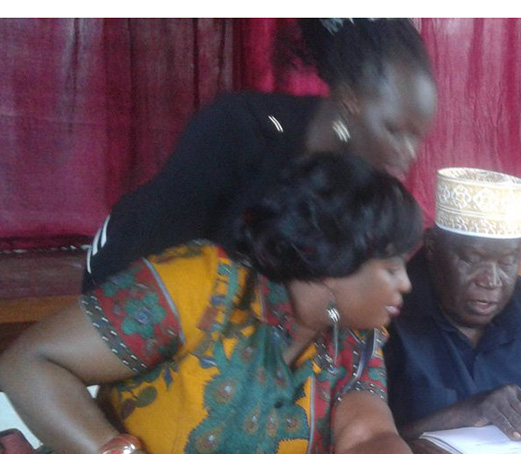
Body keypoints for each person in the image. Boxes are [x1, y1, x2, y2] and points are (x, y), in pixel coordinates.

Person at [0, 154, 471, 454]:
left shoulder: (354, 338)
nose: (406, 284)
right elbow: (28, 364)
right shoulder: (202, 288)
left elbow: (367, 439)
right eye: (391, 267)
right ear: (333, 267)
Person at [83, 18, 437, 289]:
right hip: (128, 281)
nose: (408, 153)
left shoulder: (366, 178)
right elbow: (159, 260)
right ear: (349, 100)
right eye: (395, 130)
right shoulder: (241, 130)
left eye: (418, 136)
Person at [386, 168, 521, 443]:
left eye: (507, 262)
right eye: (473, 259)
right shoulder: (387, 315)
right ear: (432, 247)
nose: (491, 281)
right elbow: (359, 448)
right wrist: (460, 415)